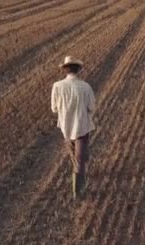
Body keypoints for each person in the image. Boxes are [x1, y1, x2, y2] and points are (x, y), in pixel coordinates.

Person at [51, 56, 96, 199]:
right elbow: (91, 108)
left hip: (66, 127)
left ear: (65, 70)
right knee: (80, 159)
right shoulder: (85, 87)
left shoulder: (57, 86)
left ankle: (78, 178)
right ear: (78, 70)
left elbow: (54, 109)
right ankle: (78, 191)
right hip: (82, 126)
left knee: (75, 157)